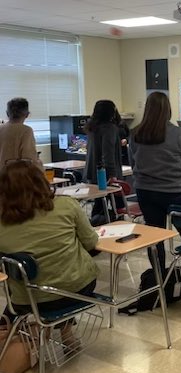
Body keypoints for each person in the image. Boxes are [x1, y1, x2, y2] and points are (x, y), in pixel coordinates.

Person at [0, 160, 99, 344]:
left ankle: (32, 333)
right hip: (78, 289)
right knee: (65, 268)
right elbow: (91, 242)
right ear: (41, 182)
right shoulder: (66, 205)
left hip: (27, 300)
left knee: (37, 281)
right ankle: (67, 334)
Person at [129, 92, 181, 273]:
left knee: (154, 236)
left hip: (146, 192)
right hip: (176, 192)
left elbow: (133, 163)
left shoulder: (136, 134)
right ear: (168, 109)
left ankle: (159, 276)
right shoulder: (178, 133)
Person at [84, 100, 123, 224]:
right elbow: (108, 153)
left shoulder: (91, 127)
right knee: (118, 206)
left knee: (100, 203)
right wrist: (112, 175)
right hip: (105, 174)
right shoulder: (109, 128)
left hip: (93, 172)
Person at [0, 97, 41, 168]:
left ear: (7, 113)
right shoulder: (26, 131)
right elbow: (29, 159)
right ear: (27, 114)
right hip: (17, 175)